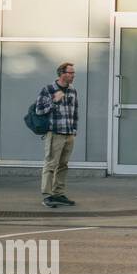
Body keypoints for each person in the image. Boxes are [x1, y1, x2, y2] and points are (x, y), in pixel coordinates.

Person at [36, 61, 79, 208]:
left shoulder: (72, 90)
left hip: (68, 133)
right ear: (62, 74)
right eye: (70, 73)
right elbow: (39, 110)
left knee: (63, 165)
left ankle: (58, 193)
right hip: (55, 133)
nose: (73, 75)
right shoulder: (48, 89)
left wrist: (74, 130)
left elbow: (75, 112)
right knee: (50, 165)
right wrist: (55, 101)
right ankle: (47, 196)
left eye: (73, 73)